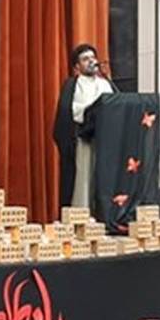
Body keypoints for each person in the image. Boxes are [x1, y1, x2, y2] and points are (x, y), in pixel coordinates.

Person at [53, 43, 115, 210]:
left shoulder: (105, 84)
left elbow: (114, 107)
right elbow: (69, 110)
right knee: (83, 181)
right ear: (77, 66)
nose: (91, 61)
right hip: (83, 139)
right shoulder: (72, 85)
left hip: (104, 141)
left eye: (93, 58)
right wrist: (91, 110)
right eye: (85, 59)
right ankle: (80, 215)